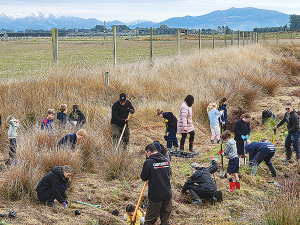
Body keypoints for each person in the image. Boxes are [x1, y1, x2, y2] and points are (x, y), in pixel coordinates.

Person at [140, 144, 172, 225]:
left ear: (149, 152)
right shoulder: (166, 160)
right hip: (167, 194)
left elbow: (144, 177)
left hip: (155, 196)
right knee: (165, 221)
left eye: (146, 153)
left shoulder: (148, 163)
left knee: (149, 221)